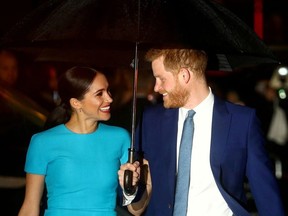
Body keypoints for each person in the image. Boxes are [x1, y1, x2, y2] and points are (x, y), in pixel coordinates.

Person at [125, 49, 285, 215]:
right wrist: (131, 186)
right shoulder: (150, 120)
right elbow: (138, 202)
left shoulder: (242, 121)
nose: (156, 87)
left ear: (184, 76)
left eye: (161, 79)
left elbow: (266, 193)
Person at [18, 66, 142, 216]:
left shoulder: (120, 137)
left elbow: (136, 210)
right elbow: (30, 207)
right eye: (99, 94)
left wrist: (141, 185)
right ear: (76, 103)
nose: (109, 98)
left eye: (108, 91)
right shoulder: (42, 142)